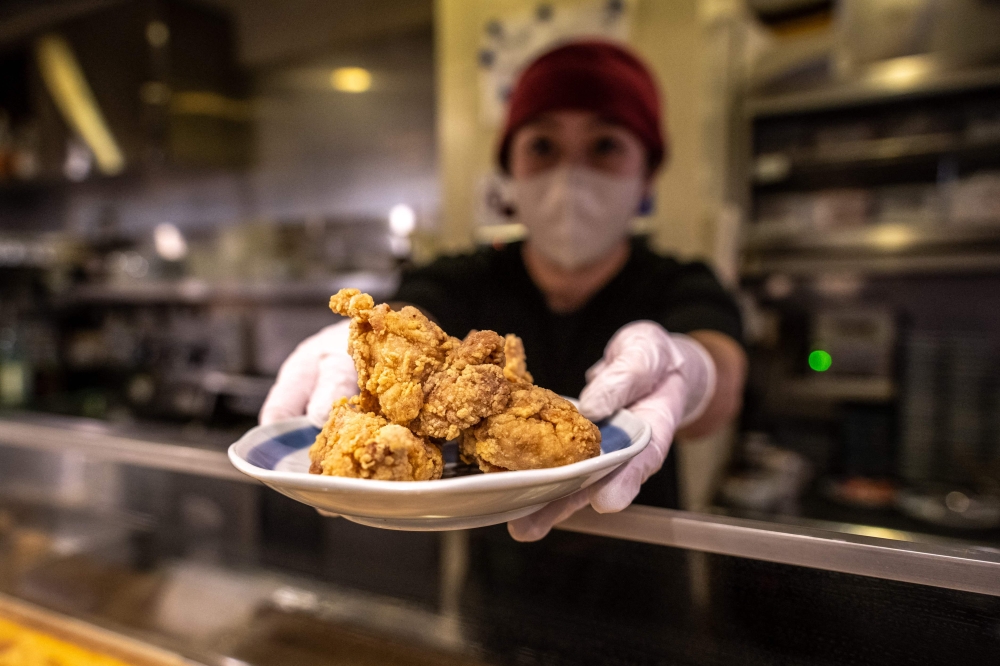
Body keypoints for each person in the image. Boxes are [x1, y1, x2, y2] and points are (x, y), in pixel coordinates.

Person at [260, 40, 747, 542]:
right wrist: (372, 341)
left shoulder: (681, 279)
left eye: (605, 145)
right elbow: (417, 310)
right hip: (494, 571)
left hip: (646, 559)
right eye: (542, 146)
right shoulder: (466, 276)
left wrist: (692, 373)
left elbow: (724, 375)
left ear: (648, 174)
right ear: (509, 172)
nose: (569, 174)